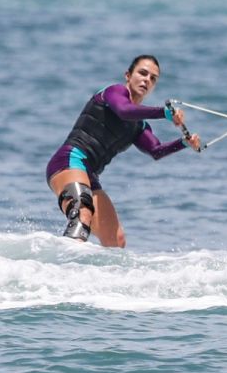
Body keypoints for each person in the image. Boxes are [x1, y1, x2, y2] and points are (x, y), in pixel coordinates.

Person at [45, 54, 201, 247]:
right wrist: (163, 113)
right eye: (142, 73)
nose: (147, 80)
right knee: (83, 211)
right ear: (128, 75)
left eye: (153, 78)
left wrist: (184, 142)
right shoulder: (113, 92)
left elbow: (155, 150)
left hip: (90, 176)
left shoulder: (139, 125)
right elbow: (124, 111)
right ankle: (61, 269)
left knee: (116, 240)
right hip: (70, 161)